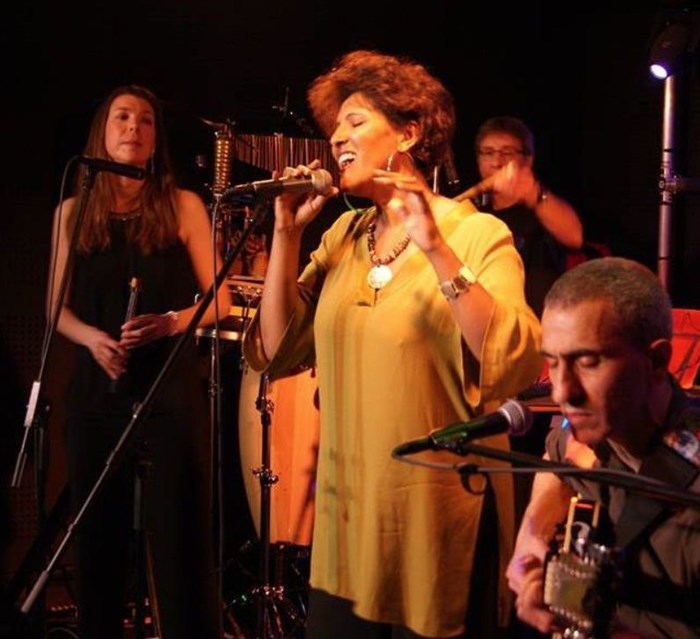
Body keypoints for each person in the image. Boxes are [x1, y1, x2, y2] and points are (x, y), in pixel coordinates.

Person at [242, 49, 542, 639]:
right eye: (335, 127)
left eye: (355, 121)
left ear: (408, 133)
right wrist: (285, 235)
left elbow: (513, 359)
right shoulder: (343, 235)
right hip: (347, 528)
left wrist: (435, 248)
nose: (337, 138)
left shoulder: (476, 233)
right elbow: (276, 351)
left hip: (435, 526)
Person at [48, 84, 231, 638]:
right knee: (98, 545)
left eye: (146, 120)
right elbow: (55, 309)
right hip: (97, 395)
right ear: (101, 132)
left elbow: (221, 300)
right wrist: (93, 340)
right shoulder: (73, 212)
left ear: (156, 139)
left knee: (181, 539)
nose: (134, 127)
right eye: (122, 117)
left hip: (169, 393)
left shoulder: (183, 205)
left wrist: (170, 322)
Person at [506, 256, 700, 638]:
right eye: (553, 364)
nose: (562, 393)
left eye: (587, 362)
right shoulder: (593, 433)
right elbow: (556, 454)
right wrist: (532, 535)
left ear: (657, 361)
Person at [467, 116, 584, 318]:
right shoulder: (472, 213)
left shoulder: (542, 206)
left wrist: (533, 193)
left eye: (507, 152)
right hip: (483, 320)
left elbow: (575, 237)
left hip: (535, 322)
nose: (496, 162)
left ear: (527, 159)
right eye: (488, 152)